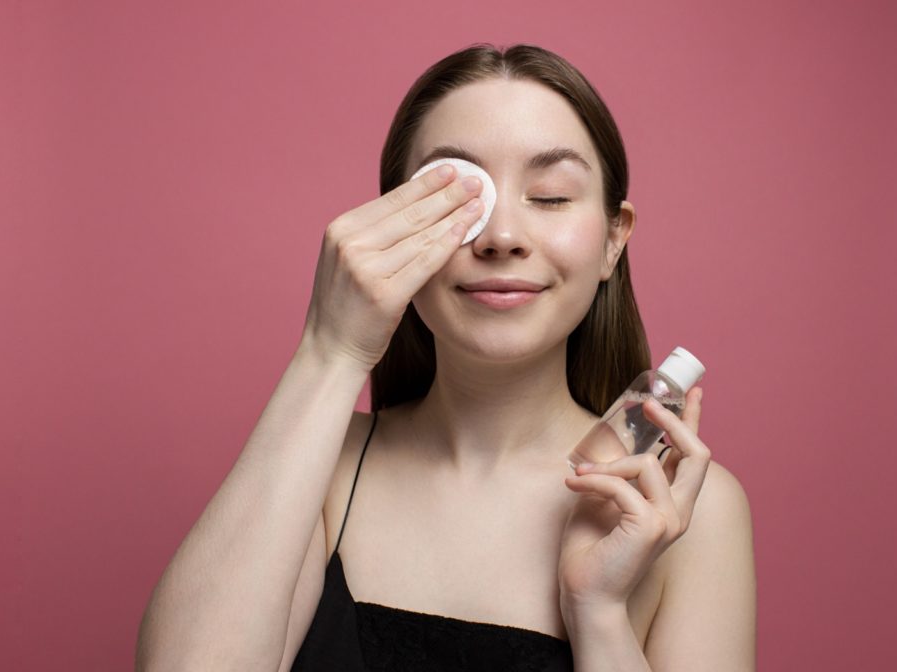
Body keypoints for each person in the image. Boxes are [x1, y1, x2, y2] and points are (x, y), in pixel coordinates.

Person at [136, 43, 756, 671]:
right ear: (393, 226)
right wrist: (331, 350)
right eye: (463, 200)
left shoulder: (680, 511)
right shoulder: (319, 467)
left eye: (549, 196)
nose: (502, 238)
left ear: (612, 240)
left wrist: (596, 612)